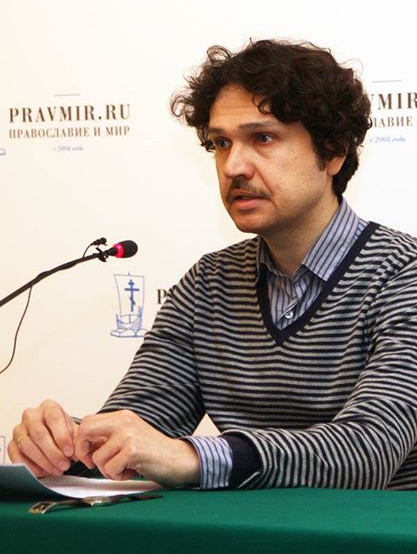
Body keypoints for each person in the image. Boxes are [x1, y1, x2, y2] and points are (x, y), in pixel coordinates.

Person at [9, 39, 417, 490]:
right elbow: (137, 430)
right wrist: (67, 444)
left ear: (333, 151)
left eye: (263, 138)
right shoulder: (209, 283)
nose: (233, 166)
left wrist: (192, 456)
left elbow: (369, 451)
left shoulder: (405, 273)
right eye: (221, 143)